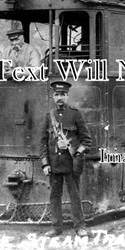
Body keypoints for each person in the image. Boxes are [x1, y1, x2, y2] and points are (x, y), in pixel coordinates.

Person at [40, 80, 92, 237]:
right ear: (53, 97)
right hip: (54, 165)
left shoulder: (75, 114)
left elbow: (87, 140)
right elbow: (42, 142)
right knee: (54, 197)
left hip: (70, 164)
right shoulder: (49, 117)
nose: (60, 98)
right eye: (57, 95)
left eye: (63, 94)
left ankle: (80, 227)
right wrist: (45, 164)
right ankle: (56, 228)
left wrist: (77, 153)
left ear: (67, 96)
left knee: (75, 196)